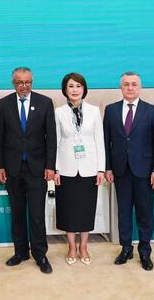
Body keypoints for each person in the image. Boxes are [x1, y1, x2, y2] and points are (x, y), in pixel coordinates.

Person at [0, 67, 57, 274]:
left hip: (37, 169)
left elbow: (51, 138)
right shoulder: (4, 104)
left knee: (37, 215)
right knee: (17, 213)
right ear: (13, 83)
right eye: (20, 82)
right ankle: (20, 252)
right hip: (12, 168)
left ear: (32, 81)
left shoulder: (45, 102)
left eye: (28, 82)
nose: (24, 86)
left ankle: (40, 254)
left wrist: (50, 166)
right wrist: (0, 166)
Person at [104, 71, 154, 271]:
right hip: (120, 170)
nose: (130, 88)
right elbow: (106, 141)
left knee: (145, 212)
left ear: (140, 87)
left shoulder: (151, 111)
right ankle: (126, 248)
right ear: (121, 87)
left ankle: (145, 251)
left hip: (144, 171)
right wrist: (108, 167)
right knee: (123, 211)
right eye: (126, 84)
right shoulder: (111, 110)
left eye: (134, 84)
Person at [53, 72, 105, 266]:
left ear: (84, 89)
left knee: (86, 209)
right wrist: (56, 169)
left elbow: (99, 141)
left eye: (78, 86)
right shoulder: (58, 112)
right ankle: (72, 246)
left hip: (89, 168)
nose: (75, 90)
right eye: (71, 86)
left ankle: (83, 246)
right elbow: (55, 142)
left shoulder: (94, 111)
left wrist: (101, 169)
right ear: (65, 90)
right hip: (66, 168)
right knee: (68, 209)